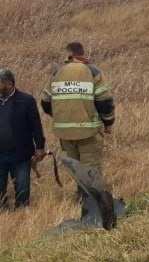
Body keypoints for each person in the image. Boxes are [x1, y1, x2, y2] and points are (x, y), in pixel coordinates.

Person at [40, 42, 115, 178]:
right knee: (91, 171)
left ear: (69, 55)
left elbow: (45, 101)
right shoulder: (93, 71)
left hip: (65, 133)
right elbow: (105, 101)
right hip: (88, 132)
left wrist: (61, 115)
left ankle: (80, 197)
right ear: (82, 53)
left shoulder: (58, 72)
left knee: (76, 171)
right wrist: (108, 123)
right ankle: (91, 199)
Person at [0, 68, 46, 209]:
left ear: (9, 83)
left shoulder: (26, 101)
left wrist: (39, 147)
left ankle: (21, 216)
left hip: (20, 154)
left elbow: (36, 126)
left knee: (22, 190)